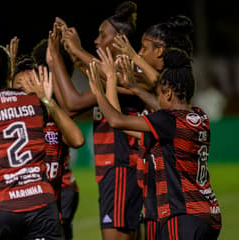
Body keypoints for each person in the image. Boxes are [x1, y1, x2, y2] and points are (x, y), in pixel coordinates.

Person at [87, 48, 222, 240]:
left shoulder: (168, 121)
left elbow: (116, 120)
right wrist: (134, 88)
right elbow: (159, 116)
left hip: (180, 216)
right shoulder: (199, 117)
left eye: (159, 94)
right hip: (207, 213)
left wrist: (104, 86)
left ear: (167, 94)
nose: (156, 100)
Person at [0, 44, 85, 240]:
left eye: (31, 86)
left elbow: (77, 139)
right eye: (21, 87)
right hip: (35, 205)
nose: (26, 91)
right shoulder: (36, 106)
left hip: (24, 207)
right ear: (9, 82)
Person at [53, 2, 144, 239]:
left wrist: (70, 52)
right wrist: (66, 54)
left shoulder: (132, 72)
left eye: (102, 35)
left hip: (122, 167)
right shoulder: (109, 78)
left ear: (119, 38)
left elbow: (72, 103)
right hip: (111, 170)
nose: (96, 41)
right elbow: (73, 103)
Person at [111, 15, 195, 240]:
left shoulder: (171, 82)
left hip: (172, 194)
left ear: (159, 50)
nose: (138, 53)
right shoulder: (164, 83)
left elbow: (157, 82)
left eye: (142, 47)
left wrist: (114, 71)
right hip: (152, 173)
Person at [31, 38, 81, 240]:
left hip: (61, 187)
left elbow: (76, 139)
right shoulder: (29, 103)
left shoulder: (60, 103)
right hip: (50, 188)